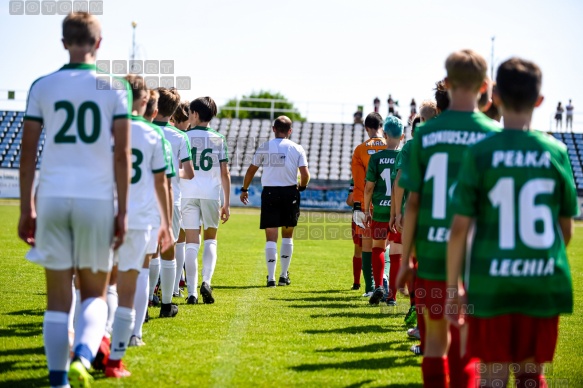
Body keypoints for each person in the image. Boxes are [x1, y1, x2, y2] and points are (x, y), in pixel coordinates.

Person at [447, 57, 578, 387]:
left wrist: (453, 288)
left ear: (495, 97)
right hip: (541, 284)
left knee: (492, 375)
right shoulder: (557, 152)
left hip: (491, 283)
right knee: (531, 376)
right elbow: (565, 230)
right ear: (540, 100)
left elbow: (460, 228)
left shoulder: (479, 152)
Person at [18, 12, 131, 387]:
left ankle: (58, 381)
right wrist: (123, 211)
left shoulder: (42, 86)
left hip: (51, 197)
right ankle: (84, 355)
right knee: (95, 294)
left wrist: (26, 208)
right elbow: (121, 156)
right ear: (99, 44)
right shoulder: (114, 88)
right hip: (96, 198)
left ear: (64, 42)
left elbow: (28, 151)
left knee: (56, 298)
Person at [396, 49, 500, 387]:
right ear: (485, 85)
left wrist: (405, 260)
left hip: (429, 256)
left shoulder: (426, 135)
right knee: (466, 344)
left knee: (436, 342)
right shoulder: (495, 135)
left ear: (448, 83)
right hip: (477, 261)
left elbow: (413, 204)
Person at [105, 75, 174, 378]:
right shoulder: (152, 134)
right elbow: (162, 182)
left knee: (102, 281)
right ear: (146, 102)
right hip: (140, 217)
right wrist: (167, 223)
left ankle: (95, 340)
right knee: (134, 278)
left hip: (104, 212)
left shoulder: (106, 129)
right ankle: (124, 345)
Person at [240, 116, 310, 287]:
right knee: (287, 235)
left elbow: (250, 171)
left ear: (273, 129)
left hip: (270, 193)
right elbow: (306, 174)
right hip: (290, 193)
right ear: (290, 131)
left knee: (271, 236)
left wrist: (244, 189)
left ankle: (270, 278)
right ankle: (283, 276)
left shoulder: (265, 147)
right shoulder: (297, 148)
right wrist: (301, 187)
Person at [181, 97, 231, 304]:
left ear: (194, 114)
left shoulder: (183, 137)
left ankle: (192, 292)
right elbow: (225, 173)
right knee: (211, 239)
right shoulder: (219, 138)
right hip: (211, 194)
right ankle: (206, 281)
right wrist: (226, 203)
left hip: (187, 193)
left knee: (191, 243)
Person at [153, 88, 195, 318]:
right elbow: (188, 173)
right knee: (168, 250)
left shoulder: (141, 130)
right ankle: (167, 305)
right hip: (171, 198)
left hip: (143, 197)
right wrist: (169, 170)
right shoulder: (180, 137)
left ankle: (147, 298)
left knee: (148, 251)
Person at [363, 116, 404, 306]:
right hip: (399, 214)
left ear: (385, 134)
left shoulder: (376, 157)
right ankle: (392, 297)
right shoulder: (406, 157)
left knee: (378, 247)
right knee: (397, 253)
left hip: (380, 210)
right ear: (402, 136)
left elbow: (369, 187)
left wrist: (366, 209)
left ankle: (378, 284)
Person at [351, 113, 388, 297]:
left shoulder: (360, 150)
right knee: (387, 246)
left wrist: (361, 206)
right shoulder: (394, 146)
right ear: (381, 126)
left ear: (366, 128)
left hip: (368, 203)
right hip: (390, 203)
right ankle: (385, 284)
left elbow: (360, 183)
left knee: (367, 245)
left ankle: (369, 288)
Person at [345, 178, 362, 290]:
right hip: (379, 213)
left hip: (360, 214)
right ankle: (379, 282)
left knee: (358, 250)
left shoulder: (357, 176)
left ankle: (356, 283)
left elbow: (350, 201)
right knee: (379, 249)